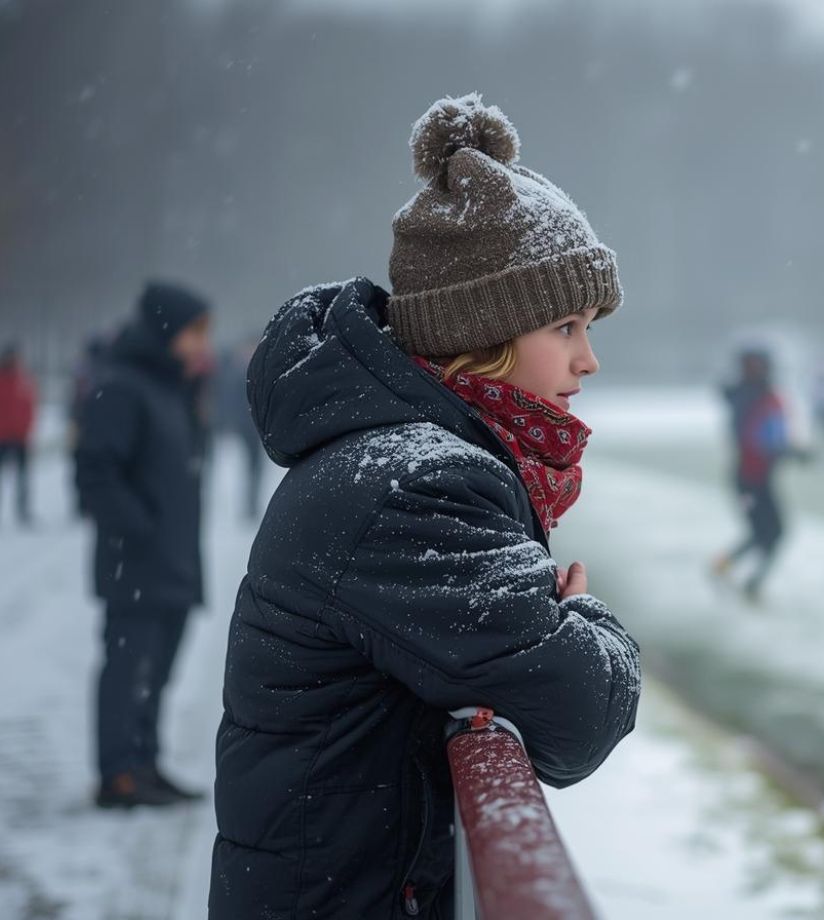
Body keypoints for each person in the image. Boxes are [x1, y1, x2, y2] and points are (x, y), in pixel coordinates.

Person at [209, 94, 641, 919]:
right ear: (484, 332)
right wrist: (590, 621)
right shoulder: (417, 485)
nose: (589, 360)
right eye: (567, 325)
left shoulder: (394, 455)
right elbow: (579, 711)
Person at [74, 281, 213, 806]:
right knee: (128, 670)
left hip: (171, 561)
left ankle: (145, 763)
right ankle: (119, 774)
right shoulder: (123, 386)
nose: (201, 343)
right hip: (137, 563)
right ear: (164, 330)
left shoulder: (170, 387)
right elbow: (96, 471)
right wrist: (141, 529)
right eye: (194, 331)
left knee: (156, 674)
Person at [712, 346, 808, 602]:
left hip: (756, 476)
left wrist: (788, 450)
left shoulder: (757, 395)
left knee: (769, 532)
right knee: (769, 532)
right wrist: (790, 452)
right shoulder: (750, 397)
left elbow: (767, 437)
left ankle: (739, 575)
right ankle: (743, 578)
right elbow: (758, 440)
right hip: (750, 477)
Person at [213, 338, 264, 519]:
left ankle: (251, 504)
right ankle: (249, 505)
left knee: (255, 467)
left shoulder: (244, 371)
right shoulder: (239, 373)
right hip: (247, 425)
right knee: (251, 466)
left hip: (251, 425)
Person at [0, 344, 36, 526]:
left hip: (20, 436)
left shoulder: (23, 379)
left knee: (23, 477)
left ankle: (23, 510)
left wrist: (27, 426)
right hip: (2, 435)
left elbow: (30, 405)